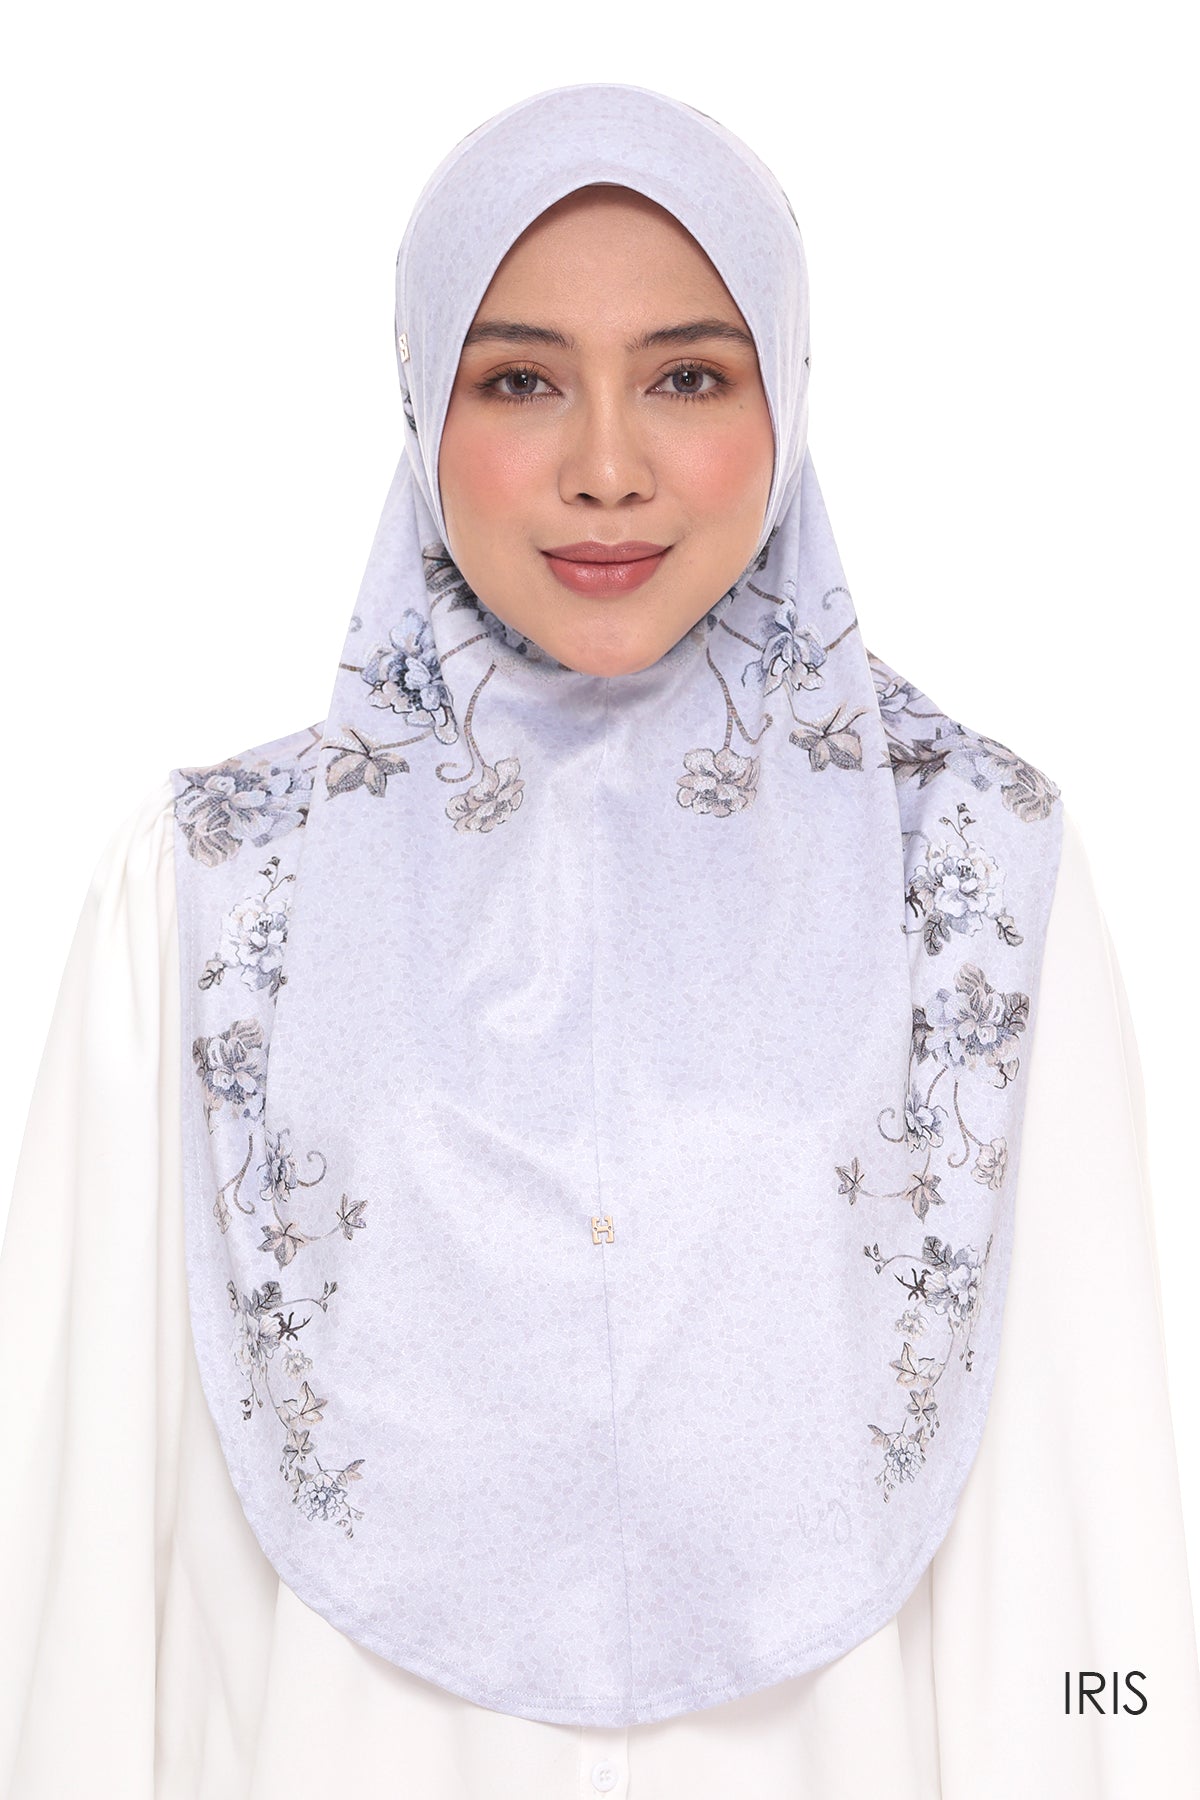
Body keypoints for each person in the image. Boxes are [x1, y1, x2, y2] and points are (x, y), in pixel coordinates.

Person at [2, 81, 1198, 1800]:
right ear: (421, 397)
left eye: (689, 377)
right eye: (522, 380)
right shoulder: (212, 895)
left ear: (788, 393)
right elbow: (82, 1570)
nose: (609, 468)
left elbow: (1085, 1541)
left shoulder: (971, 877)